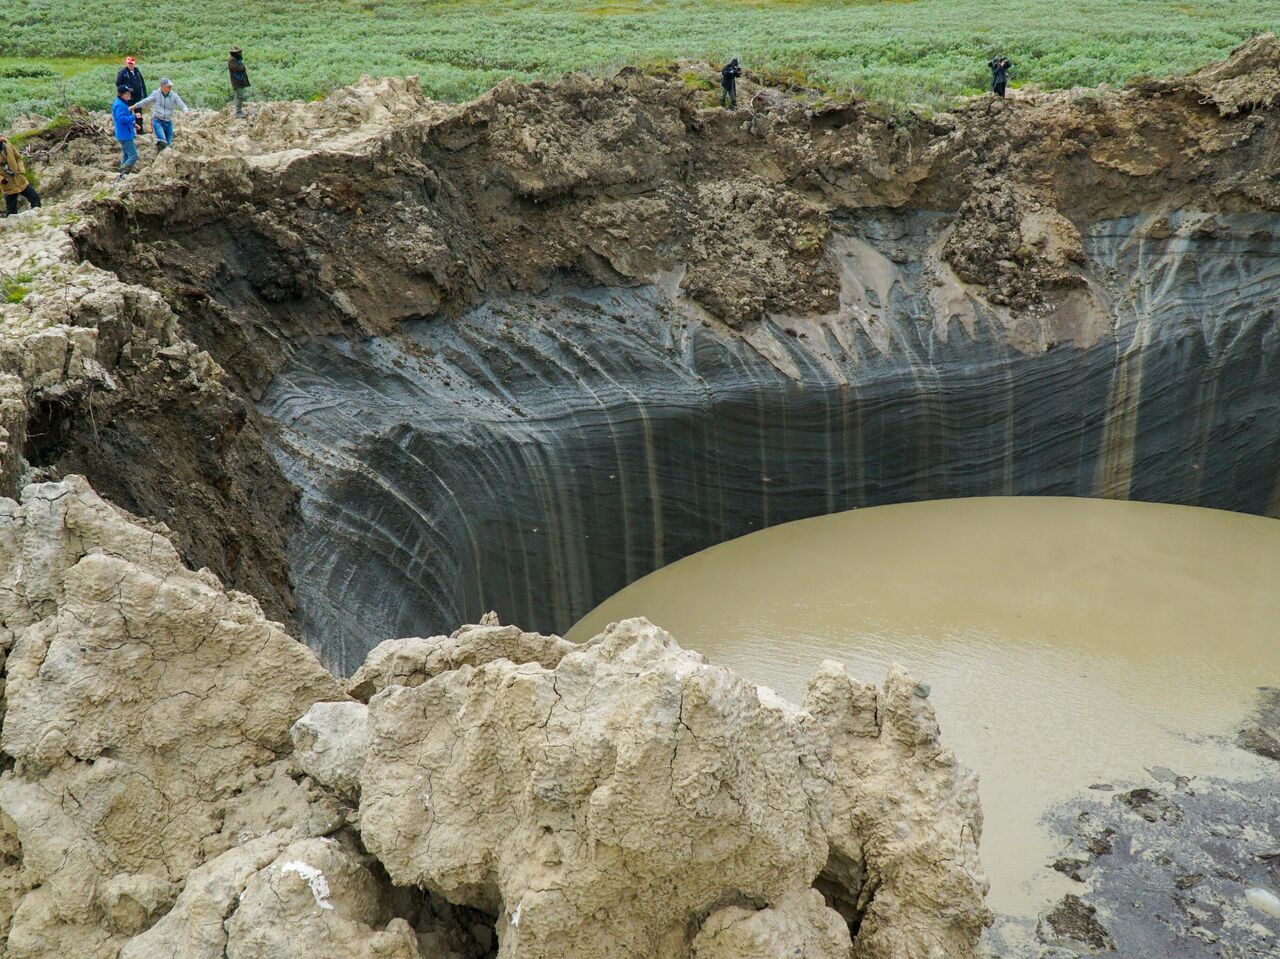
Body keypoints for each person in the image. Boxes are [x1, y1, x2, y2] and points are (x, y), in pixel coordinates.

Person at [133, 77, 190, 151]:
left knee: (168, 144)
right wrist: (134, 106)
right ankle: (160, 151)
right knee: (162, 141)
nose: (170, 87)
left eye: (170, 86)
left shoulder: (174, 95)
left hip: (168, 122)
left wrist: (186, 110)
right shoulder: (156, 93)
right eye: (167, 86)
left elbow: (182, 104)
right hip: (157, 121)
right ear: (162, 86)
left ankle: (161, 155)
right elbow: (145, 101)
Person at [0, 134, 41, 216]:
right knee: (11, 211)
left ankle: (38, 218)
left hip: (20, 179)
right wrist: (1, 179)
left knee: (35, 198)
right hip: (8, 185)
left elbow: (18, 158)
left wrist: (21, 171)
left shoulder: (8, 144)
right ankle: (12, 227)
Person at [113, 85, 139, 178]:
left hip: (124, 133)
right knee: (133, 156)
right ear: (121, 94)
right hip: (125, 134)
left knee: (126, 155)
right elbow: (121, 119)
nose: (129, 95)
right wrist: (134, 117)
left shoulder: (121, 103)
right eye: (127, 93)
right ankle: (123, 172)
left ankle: (122, 176)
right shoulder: (120, 105)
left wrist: (133, 125)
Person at [228, 47, 251, 118]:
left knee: (238, 96)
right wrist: (243, 67)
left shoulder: (236, 59)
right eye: (239, 52)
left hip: (239, 81)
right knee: (240, 96)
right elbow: (239, 68)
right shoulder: (232, 60)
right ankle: (238, 112)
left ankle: (237, 110)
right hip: (236, 81)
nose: (240, 53)